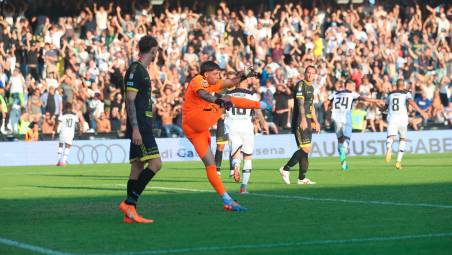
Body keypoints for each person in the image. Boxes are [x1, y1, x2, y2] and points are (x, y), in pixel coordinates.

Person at [181, 61, 261, 212]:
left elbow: (232, 81)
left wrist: (245, 74)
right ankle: (259, 105)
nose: (219, 76)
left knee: (211, 165)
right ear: (206, 74)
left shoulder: (212, 84)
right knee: (226, 100)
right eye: (216, 73)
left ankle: (226, 199)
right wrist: (218, 101)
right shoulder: (199, 80)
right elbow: (202, 94)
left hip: (198, 130)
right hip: (195, 120)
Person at [118, 36, 163, 224]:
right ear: (153, 50)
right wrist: (136, 128)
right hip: (141, 127)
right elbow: (129, 100)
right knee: (156, 164)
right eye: (157, 50)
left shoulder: (141, 70)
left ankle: (130, 213)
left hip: (143, 124)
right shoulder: (136, 70)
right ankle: (130, 202)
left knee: (137, 166)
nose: (157, 53)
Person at [326, 79, 383, 170]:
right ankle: (344, 148)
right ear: (347, 85)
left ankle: (343, 162)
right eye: (353, 86)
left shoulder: (335, 93)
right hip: (345, 116)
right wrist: (376, 100)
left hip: (336, 117)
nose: (354, 87)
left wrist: (327, 113)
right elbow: (364, 99)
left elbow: (326, 102)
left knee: (340, 139)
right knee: (347, 136)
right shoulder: (352, 93)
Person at [279, 66, 320, 185]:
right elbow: (301, 103)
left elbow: (311, 106)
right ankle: (285, 169)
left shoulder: (311, 88)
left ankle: (302, 179)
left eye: (312, 73)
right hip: (300, 120)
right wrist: (302, 119)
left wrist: (316, 122)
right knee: (305, 149)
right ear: (305, 73)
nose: (310, 75)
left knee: (305, 151)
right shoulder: (300, 85)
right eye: (308, 72)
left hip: (308, 121)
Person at [224, 80, 264, 193]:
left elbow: (221, 109)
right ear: (245, 83)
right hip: (246, 126)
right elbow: (257, 110)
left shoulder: (228, 95)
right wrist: (263, 123)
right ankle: (244, 187)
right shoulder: (251, 95)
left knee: (235, 154)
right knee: (247, 156)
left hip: (232, 125)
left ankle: (236, 166)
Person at [384, 79, 428, 170]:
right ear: (403, 85)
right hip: (402, 119)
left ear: (396, 85)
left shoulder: (390, 94)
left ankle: (389, 147)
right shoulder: (406, 93)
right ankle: (398, 162)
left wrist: (381, 108)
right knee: (402, 139)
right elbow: (411, 103)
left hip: (392, 118)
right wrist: (421, 111)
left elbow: (385, 107)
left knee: (390, 137)